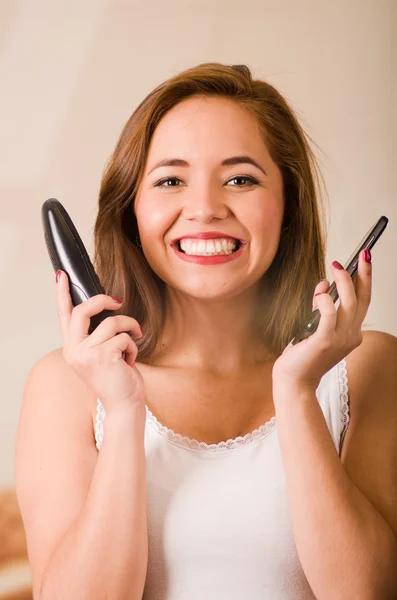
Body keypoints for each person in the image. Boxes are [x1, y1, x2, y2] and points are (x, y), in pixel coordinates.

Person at [15, 63, 397, 600]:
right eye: (170, 180)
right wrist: (124, 412)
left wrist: (295, 389)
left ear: (288, 207)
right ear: (132, 210)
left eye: (240, 179)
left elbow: (366, 592)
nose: (205, 210)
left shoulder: (368, 367)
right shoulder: (66, 386)